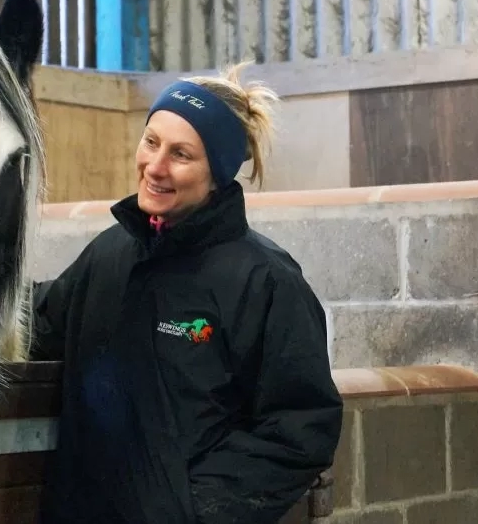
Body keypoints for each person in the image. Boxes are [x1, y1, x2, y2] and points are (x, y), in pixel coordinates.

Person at [29, 61, 343, 524]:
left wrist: (194, 510)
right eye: (151, 142)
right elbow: (40, 324)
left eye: (181, 154)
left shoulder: (263, 280)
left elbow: (300, 426)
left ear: (217, 173)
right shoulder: (110, 254)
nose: (155, 167)